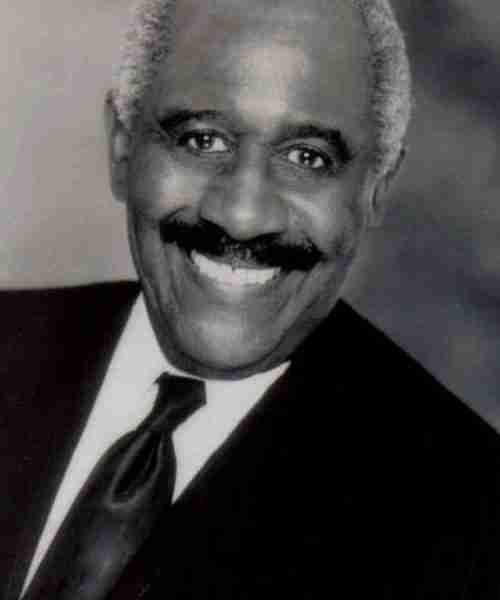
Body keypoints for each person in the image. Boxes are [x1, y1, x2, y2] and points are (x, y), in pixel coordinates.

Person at [3, 0, 499, 598]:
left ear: (376, 188)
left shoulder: (472, 526)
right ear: (122, 147)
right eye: (202, 139)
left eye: (307, 157)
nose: (242, 216)